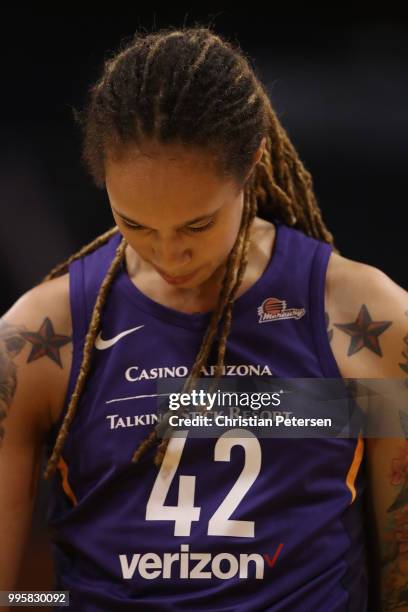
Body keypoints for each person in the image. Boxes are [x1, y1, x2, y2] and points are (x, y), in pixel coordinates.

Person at [0, 24, 407, 612]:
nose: (169, 256)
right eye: (134, 224)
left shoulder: (368, 318)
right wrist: (61, 605)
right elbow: (11, 597)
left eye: (196, 225)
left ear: (252, 165)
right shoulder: (38, 340)